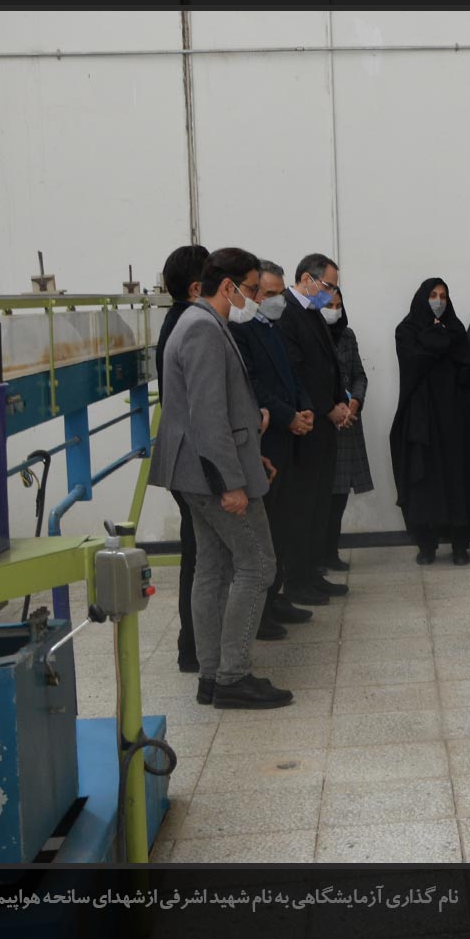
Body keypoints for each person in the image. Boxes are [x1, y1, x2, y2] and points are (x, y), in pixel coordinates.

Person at [147, 246, 292, 710]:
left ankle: (211, 675)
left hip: (199, 470)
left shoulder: (200, 323)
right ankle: (233, 676)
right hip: (210, 475)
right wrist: (231, 482)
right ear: (228, 286)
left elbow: (224, 408)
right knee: (258, 564)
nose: (255, 298)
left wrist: (250, 459)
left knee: (212, 568)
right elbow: (208, 416)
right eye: (251, 288)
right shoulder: (203, 328)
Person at [227, 259, 316, 640]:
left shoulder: (273, 326)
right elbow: (254, 387)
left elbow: (293, 375)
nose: (276, 300)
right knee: (263, 531)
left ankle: (275, 597)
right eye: (268, 293)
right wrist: (288, 416)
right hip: (267, 439)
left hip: (289, 434)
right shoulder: (240, 330)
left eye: (280, 293)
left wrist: (305, 408)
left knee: (283, 524)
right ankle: (258, 613)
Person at [390, 278, 470, 565]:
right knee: (424, 481)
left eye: (443, 296)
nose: (439, 301)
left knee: (458, 478)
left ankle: (460, 545)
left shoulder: (456, 327)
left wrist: (439, 342)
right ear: (421, 298)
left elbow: (467, 364)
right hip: (422, 419)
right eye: (433, 295)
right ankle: (427, 546)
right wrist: (440, 340)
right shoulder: (406, 330)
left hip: (456, 418)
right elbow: (415, 363)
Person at [277, 253, 356, 596]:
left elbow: (328, 365)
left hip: (325, 423)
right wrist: (326, 408)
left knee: (319, 503)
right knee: (302, 504)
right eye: (328, 285)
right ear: (307, 279)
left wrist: (340, 402)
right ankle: (296, 580)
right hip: (307, 423)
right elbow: (299, 371)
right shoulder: (286, 311)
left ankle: (312, 572)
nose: (331, 293)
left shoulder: (311, 311)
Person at [155, 244, 207, 674]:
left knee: (199, 552)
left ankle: (194, 642)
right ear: (196, 288)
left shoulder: (180, 320)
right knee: (199, 555)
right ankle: (193, 646)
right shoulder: (191, 327)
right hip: (193, 457)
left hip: (186, 454)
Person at [318, 282, 372, 570]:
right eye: (329, 306)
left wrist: (355, 402)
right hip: (322, 423)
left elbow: (359, 375)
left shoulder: (347, 336)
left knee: (339, 495)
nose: (334, 311)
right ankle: (313, 557)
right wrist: (332, 408)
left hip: (347, 423)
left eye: (338, 306)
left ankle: (330, 552)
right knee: (319, 496)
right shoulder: (310, 335)